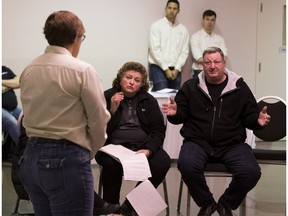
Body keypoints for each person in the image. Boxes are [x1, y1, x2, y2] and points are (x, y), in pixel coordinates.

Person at [19, 10, 120, 216]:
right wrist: (89, 152)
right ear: (75, 36)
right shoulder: (82, 70)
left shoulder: (29, 68)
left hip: (30, 157)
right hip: (66, 158)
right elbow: (99, 119)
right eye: (82, 37)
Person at [162, 47, 270, 216]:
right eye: (208, 62)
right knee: (187, 165)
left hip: (232, 144)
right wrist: (175, 114)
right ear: (202, 65)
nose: (212, 66)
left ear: (224, 63)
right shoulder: (191, 87)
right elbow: (180, 115)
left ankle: (225, 204)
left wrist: (257, 121)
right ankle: (207, 203)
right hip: (197, 142)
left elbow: (250, 116)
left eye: (216, 62)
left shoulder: (239, 87)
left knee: (251, 172)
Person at [95, 61, 171, 215]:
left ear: (141, 84)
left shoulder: (148, 100)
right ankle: (112, 209)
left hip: (140, 147)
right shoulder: (107, 96)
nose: (131, 82)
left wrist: (149, 150)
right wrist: (112, 110)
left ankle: (130, 207)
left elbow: (158, 131)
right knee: (110, 164)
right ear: (120, 78)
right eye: (128, 77)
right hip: (112, 147)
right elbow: (98, 129)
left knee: (163, 161)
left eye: (137, 80)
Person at [148, 0, 189, 91]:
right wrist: (166, 69)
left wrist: (177, 68)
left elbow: (184, 52)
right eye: (169, 8)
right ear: (166, 9)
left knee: (174, 99)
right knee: (160, 98)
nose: (172, 10)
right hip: (158, 68)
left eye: (174, 8)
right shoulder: (156, 26)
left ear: (178, 10)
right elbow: (155, 49)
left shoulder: (183, 29)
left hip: (176, 70)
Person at [191, 10, 227, 78]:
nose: (209, 22)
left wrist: (209, 62)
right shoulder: (195, 37)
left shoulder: (219, 39)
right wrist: (216, 62)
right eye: (207, 19)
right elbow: (198, 59)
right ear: (203, 20)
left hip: (217, 73)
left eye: (212, 20)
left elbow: (224, 58)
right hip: (199, 73)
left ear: (215, 21)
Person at [2, 65, 22, 159]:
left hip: (13, 109)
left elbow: (19, 82)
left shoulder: (4, 69)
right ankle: (24, 150)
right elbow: (14, 83)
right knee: (11, 121)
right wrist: (10, 85)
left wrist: (2, 83)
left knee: (27, 116)